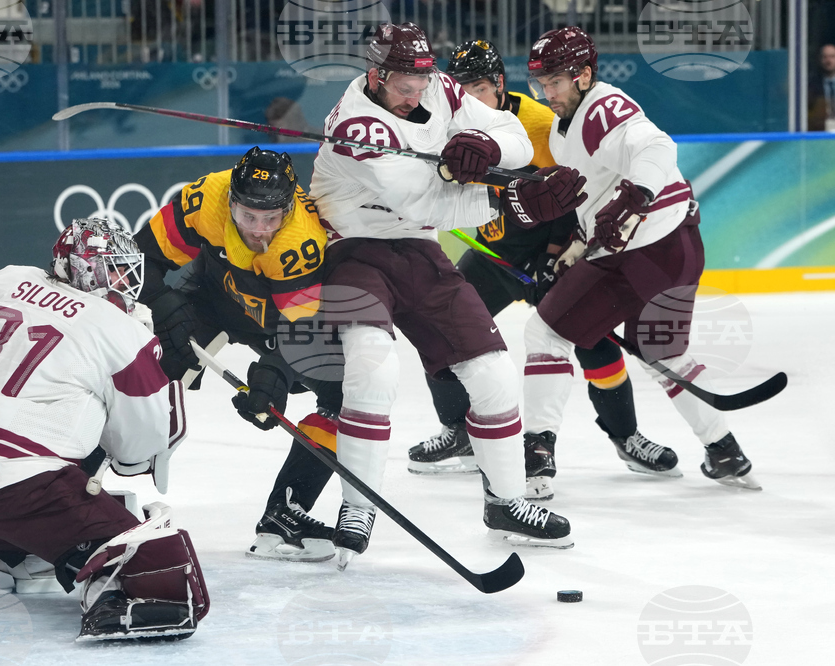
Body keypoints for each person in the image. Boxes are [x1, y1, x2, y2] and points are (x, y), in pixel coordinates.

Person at [310, 22, 584, 567]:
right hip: (352, 249)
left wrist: (482, 145)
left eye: (420, 81)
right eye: (403, 86)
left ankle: (505, 501)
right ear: (375, 74)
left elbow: (509, 128)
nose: (416, 95)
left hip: (415, 249)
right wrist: (512, 195)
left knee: (494, 375)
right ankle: (358, 503)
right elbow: (423, 201)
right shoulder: (354, 124)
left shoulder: (438, 86)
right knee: (373, 367)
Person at [409, 39, 680, 502]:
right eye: (461, 89)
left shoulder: (540, 124)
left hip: (549, 253)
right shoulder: (445, 128)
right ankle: (459, 431)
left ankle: (627, 437)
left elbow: (578, 195)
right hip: (496, 254)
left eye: (478, 87)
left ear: (498, 84)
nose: (469, 99)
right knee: (439, 328)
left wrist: (560, 250)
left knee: (591, 343)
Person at [509, 26, 759, 492]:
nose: (548, 92)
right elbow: (594, 204)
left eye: (556, 82)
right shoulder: (566, 129)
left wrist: (635, 195)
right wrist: (570, 255)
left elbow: (658, 147)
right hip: (674, 248)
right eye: (542, 84)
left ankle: (536, 455)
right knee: (665, 354)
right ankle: (724, 449)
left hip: (646, 251)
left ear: (584, 75)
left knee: (545, 332)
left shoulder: (604, 106)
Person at [0, 217, 208, 641]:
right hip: (19, 486)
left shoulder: (6, 278)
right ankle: (98, 587)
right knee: (160, 566)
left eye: (127, 271)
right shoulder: (116, 327)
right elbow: (141, 449)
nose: (124, 282)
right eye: (112, 270)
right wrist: (157, 374)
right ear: (83, 270)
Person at [134, 146, 343, 563]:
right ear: (231, 201)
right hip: (211, 300)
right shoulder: (207, 196)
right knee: (140, 372)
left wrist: (275, 378)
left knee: (347, 396)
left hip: (281, 327)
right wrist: (163, 304)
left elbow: (302, 328)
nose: (260, 230)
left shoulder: (300, 240)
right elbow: (141, 259)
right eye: (249, 216)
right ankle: (63, 483)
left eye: (271, 218)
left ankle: (285, 512)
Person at [808, 44, 835, 132]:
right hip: (819, 132)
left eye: (832, 57)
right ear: (820, 60)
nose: (828, 61)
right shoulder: (811, 84)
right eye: (825, 57)